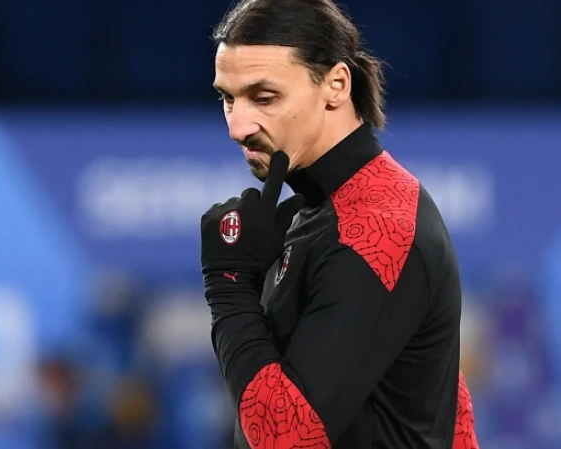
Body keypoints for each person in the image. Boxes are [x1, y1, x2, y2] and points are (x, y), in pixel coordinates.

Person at [198, 0, 480, 448]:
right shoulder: (319, 211)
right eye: (228, 99)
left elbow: (286, 439)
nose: (238, 127)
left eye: (264, 98)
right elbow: (448, 410)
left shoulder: (375, 229)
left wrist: (227, 284)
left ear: (336, 85)